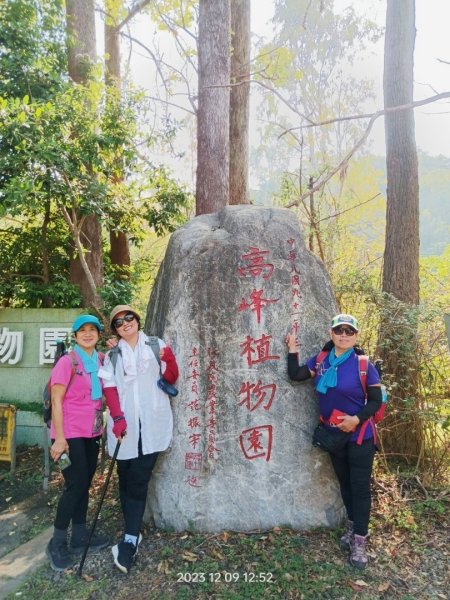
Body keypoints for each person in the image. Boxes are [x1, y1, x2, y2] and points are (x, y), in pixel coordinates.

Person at [286, 313, 382, 569]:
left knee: (360, 488)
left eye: (349, 331)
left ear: (355, 336)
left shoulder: (364, 365)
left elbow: (375, 401)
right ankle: (352, 527)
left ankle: (360, 540)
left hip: (360, 435)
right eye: (339, 330)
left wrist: (356, 419)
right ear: (331, 334)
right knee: (346, 484)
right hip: (334, 436)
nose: (344, 335)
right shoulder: (320, 361)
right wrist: (292, 349)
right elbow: (296, 375)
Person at [99, 304, 179, 574]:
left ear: (137, 319)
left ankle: (130, 537)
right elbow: (109, 386)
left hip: (153, 424)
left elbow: (171, 376)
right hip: (125, 427)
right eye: (119, 322)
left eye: (129, 317)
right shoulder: (112, 354)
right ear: (115, 329)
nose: (125, 323)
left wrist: (169, 360)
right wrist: (118, 417)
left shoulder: (155, 345)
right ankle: (131, 524)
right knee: (125, 475)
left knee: (139, 478)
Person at [46, 314, 110, 571]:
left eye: (91, 330)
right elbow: (56, 400)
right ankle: (57, 542)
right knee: (76, 484)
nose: (87, 334)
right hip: (68, 433)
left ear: (98, 334)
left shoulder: (102, 360)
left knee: (85, 483)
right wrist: (59, 438)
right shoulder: (67, 361)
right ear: (75, 336)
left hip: (92, 432)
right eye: (81, 330)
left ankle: (80, 536)